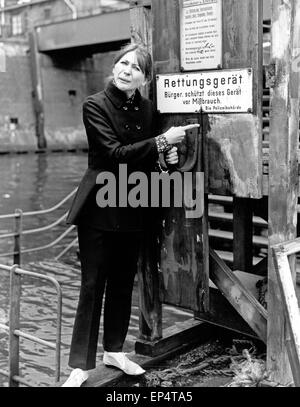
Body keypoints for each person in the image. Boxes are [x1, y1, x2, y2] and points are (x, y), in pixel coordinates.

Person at [62, 42, 200, 387]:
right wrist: (161, 142)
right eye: (123, 63)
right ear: (114, 67)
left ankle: (113, 350)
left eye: (136, 68)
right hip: (99, 205)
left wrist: (165, 157)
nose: (126, 70)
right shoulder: (94, 105)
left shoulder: (149, 109)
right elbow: (114, 154)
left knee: (124, 281)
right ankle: (80, 366)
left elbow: (150, 157)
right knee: (93, 283)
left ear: (144, 77)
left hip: (134, 202)